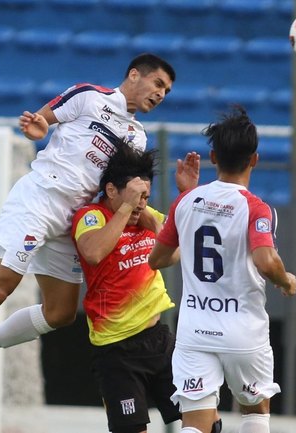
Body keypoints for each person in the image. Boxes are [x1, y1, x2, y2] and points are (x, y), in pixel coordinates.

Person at [0, 53, 177, 424]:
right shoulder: (89, 96)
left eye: (167, 91)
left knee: (59, 313)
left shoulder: (136, 136)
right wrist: (38, 129)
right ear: (134, 75)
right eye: (158, 84)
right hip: (40, 200)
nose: (161, 94)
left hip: (72, 219)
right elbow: (42, 118)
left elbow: (119, 188)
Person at [148, 105, 296, 433]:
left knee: (195, 424)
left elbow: (157, 260)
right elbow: (265, 260)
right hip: (242, 332)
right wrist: (285, 280)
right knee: (255, 412)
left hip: (195, 331)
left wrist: (186, 196)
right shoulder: (257, 208)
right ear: (254, 159)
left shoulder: (185, 202)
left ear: (213, 157)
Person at [71, 142, 221, 433]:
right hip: (116, 351)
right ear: (112, 190)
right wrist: (127, 208)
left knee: (208, 421)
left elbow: (176, 254)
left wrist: (185, 196)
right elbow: (93, 252)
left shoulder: (145, 215)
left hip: (158, 340)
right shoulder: (91, 217)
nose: (142, 202)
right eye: (136, 195)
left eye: (146, 196)